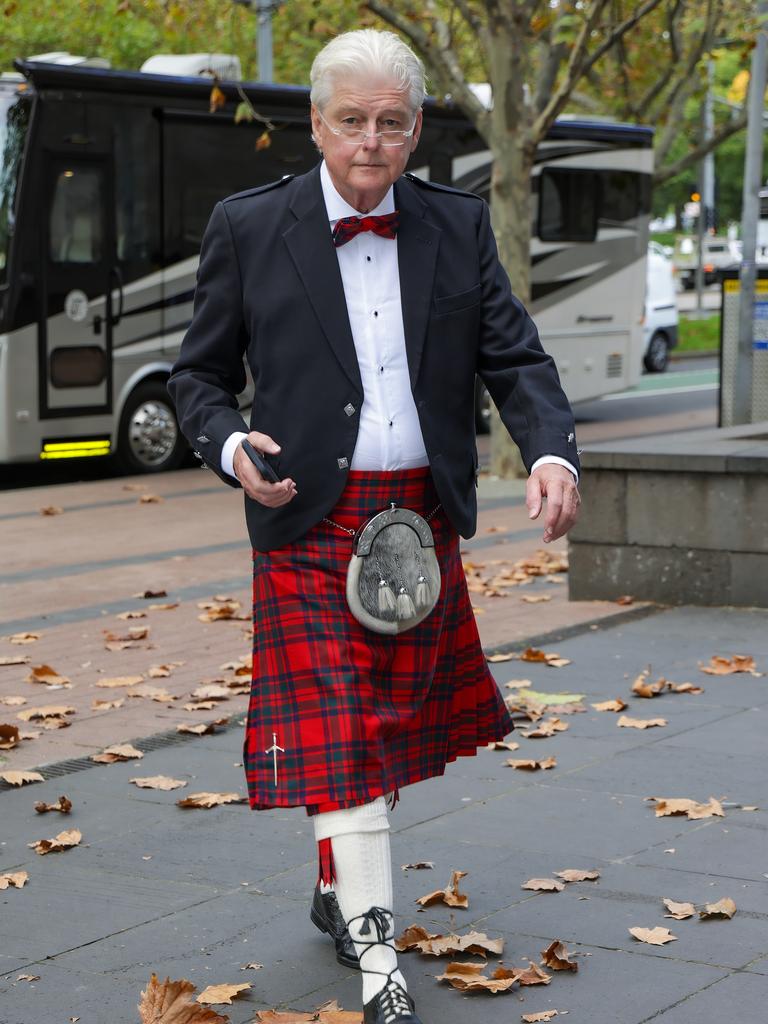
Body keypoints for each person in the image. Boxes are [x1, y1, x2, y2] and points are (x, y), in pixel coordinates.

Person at [168, 28, 580, 1024]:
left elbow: (514, 359)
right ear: (316, 124)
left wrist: (551, 451)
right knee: (346, 734)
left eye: (390, 123)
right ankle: (377, 957)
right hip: (306, 515)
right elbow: (197, 378)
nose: (370, 141)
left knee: (382, 734)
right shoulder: (248, 226)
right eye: (350, 120)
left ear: (414, 132)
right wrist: (230, 448)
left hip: (417, 518)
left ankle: (338, 876)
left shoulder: (454, 224)